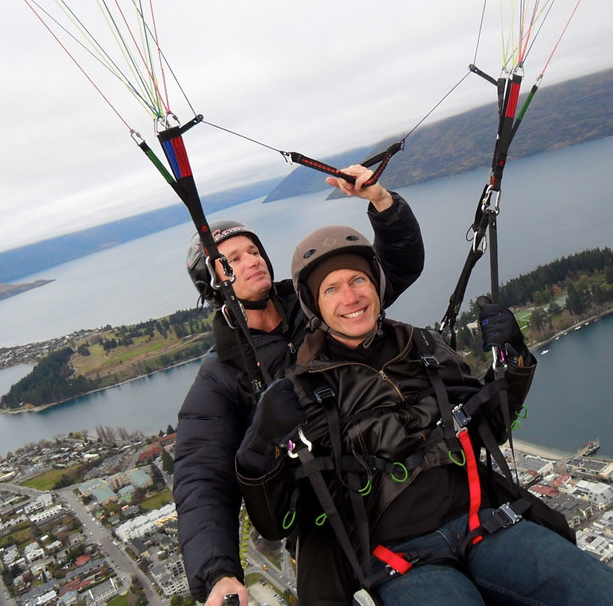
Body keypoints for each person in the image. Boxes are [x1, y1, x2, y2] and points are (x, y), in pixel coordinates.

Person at [235, 225, 613, 606]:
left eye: (358, 280)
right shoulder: (301, 390)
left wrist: (515, 361)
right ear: (313, 304)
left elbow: (490, 425)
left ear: (375, 284)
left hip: (486, 525)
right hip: (401, 559)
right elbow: (277, 522)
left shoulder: (423, 347)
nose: (351, 298)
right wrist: (259, 446)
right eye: (332, 289)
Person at [172, 167, 425, 606]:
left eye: (253, 251)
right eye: (232, 260)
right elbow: (201, 477)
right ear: (213, 286)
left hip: (394, 467)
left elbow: (396, 270)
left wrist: (382, 203)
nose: (252, 261)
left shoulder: (318, 301)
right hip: (324, 510)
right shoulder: (221, 377)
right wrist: (217, 571)